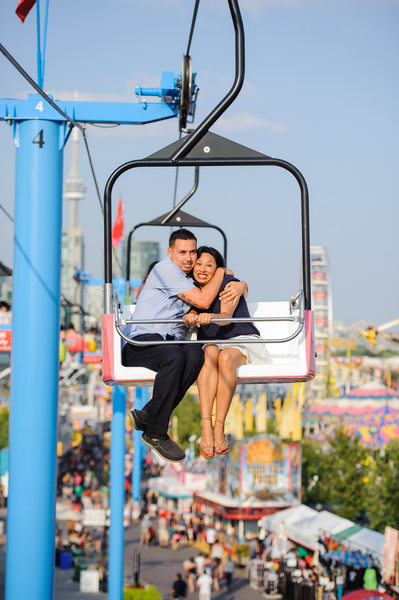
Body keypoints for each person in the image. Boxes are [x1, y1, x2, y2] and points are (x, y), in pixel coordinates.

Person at [123, 229, 245, 463]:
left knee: (194, 354)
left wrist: (240, 285)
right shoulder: (165, 269)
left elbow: (210, 298)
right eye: (182, 252)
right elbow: (203, 301)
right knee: (176, 357)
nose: (189, 258)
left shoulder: (189, 281)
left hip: (171, 344)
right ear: (170, 253)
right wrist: (220, 271)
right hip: (142, 341)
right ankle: (156, 433)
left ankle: (149, 412)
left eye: (192, 252)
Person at [192, 246, 269, 458]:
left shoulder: (228, 285)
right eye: (199, 264)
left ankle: (218, 427)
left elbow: (225, 316)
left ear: (219, 269)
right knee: (209, 354)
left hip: (240, 340)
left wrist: (210, 316)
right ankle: (206, 426)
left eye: (209, 265)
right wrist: (191, 315)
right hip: (213, 345)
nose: (203, 269)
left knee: (225, 357)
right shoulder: (192, 290)